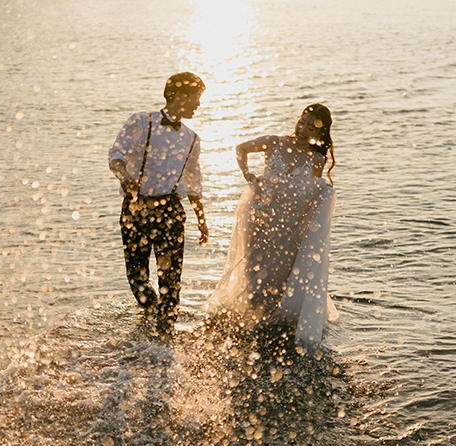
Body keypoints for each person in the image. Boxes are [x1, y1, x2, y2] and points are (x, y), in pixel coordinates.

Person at [206, 103, 338, 346]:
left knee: (279, 277)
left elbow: (307, 196)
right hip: (260, 219)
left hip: (289, 226)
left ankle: (267, 330)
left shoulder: (316, 159)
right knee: (254, 272)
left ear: (320, 134)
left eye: (311, 127)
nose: (302, 129)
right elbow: (241, 148)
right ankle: (251, 324)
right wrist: (247, 174)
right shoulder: (274, 142)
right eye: (302, 122)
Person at [109, 72, 209, 334]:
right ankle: (150, 313)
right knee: (137, 279)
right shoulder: (143, 122)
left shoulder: (192, 139)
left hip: (171, 211)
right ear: (179, 96)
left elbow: (194, 182)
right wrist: (126, 178)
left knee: (171, 279)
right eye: (196, 98)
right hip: (136, 207)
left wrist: (201, 219)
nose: (199, 104)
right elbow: (116, 155)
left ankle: (166, 335)